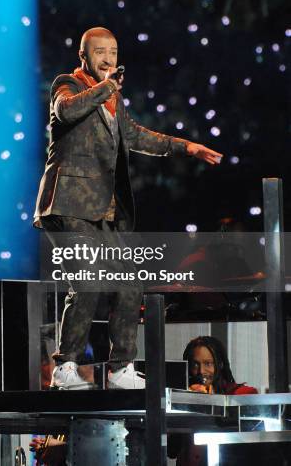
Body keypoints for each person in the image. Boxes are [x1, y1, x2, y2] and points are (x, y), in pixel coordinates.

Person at [34, 27, 222, 390]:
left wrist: (186, 147)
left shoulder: (112, 101)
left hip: (105, 209)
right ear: (83, 57)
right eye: (100, 52)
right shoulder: (68, 84)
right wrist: (107, 87)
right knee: (87, 281)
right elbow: (66, 111)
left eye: (114, 52)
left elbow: (136, 136)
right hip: (68, 202)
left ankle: (121, 367)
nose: (108, 58)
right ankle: (65, 366)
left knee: (130, 282)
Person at [168, 335, 257, 465]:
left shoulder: (242, 394)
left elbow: (248, 448)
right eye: (195, 364)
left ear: (220, 365)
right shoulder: (181, 395)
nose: (201, 371)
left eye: (208, 364)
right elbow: (171, 450)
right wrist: (186, 402)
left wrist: (209, 401)